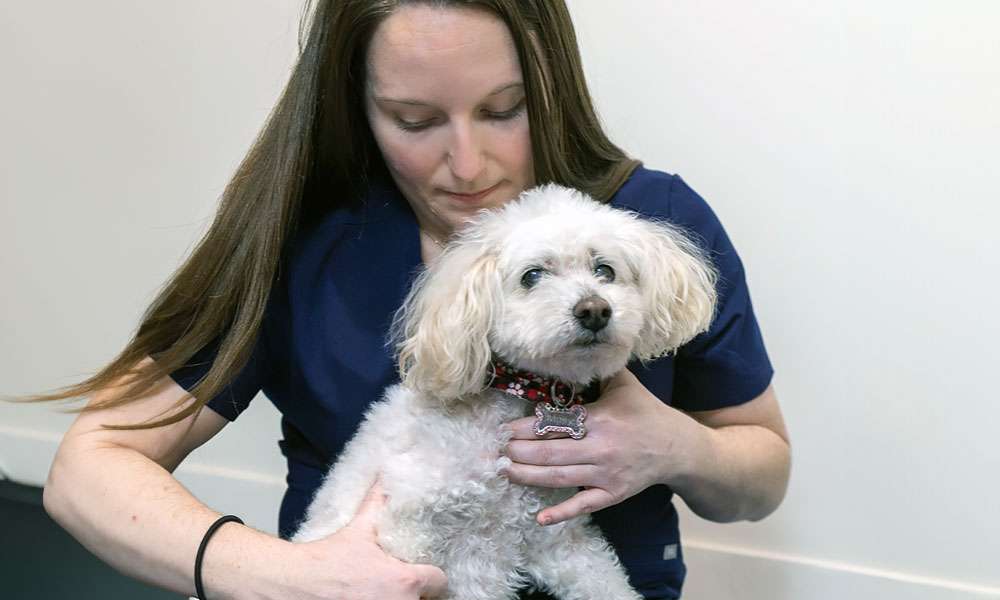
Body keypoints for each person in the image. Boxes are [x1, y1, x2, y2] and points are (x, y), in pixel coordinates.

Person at [35, 1, 791, 599]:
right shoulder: (298, 244)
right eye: (417, 121)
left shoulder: (653, 221)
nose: (467, 164)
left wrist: (679, 448)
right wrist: (285, 579)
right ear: (357, 107)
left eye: (504, 109)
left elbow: (760, 477)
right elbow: (92, 464)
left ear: (551, 79)